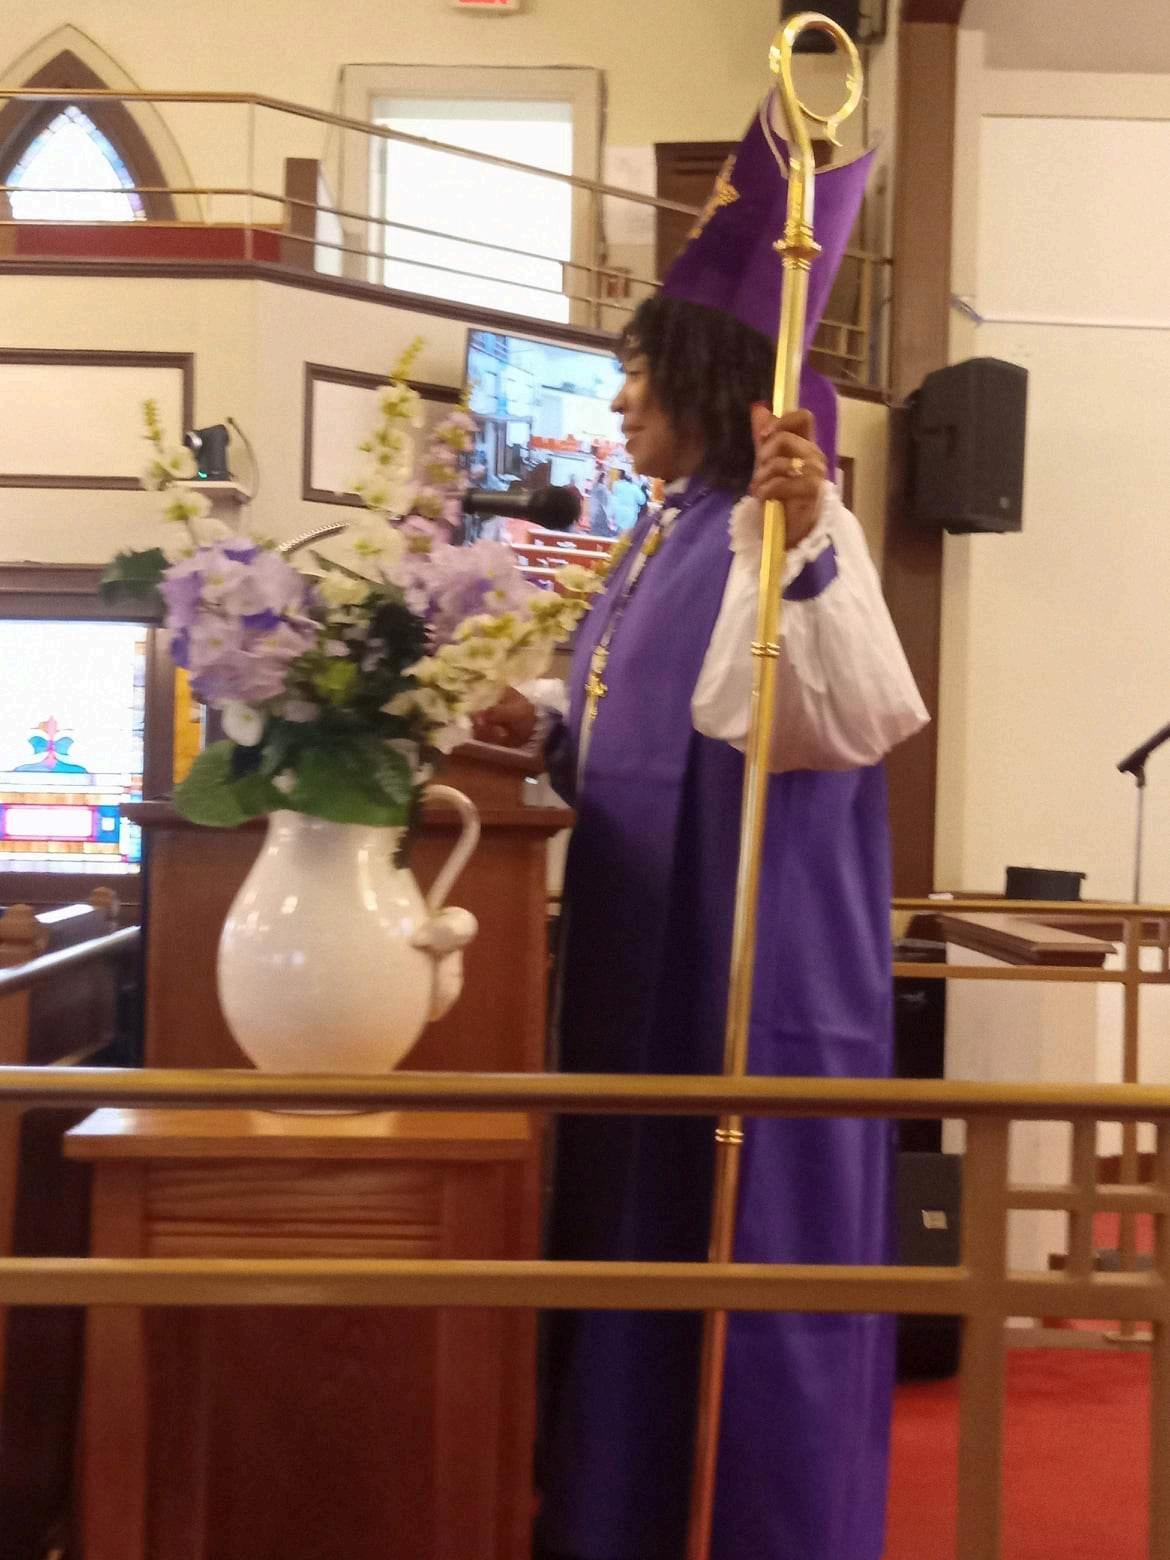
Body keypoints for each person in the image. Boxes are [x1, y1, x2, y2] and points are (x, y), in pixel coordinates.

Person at [474, 101, 928, 1560]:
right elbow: (650, 712)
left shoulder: (784, 529)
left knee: (727, 1241)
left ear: (703, 376)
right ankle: (610, 1507)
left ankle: (743, 1522)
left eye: (632, 375)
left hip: (746, 973)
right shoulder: (661, 527)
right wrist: (543, 721)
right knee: (628, 1229)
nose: (615, 404)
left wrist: (804, 534)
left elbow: (828, 716)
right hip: (636, 961)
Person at [609, 469, 645, 533]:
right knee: (626, 534)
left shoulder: (616, 485)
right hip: (630, 515)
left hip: (617, 512)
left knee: (617, 532)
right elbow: (642, 501)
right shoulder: (635, 488)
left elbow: (612, 496)